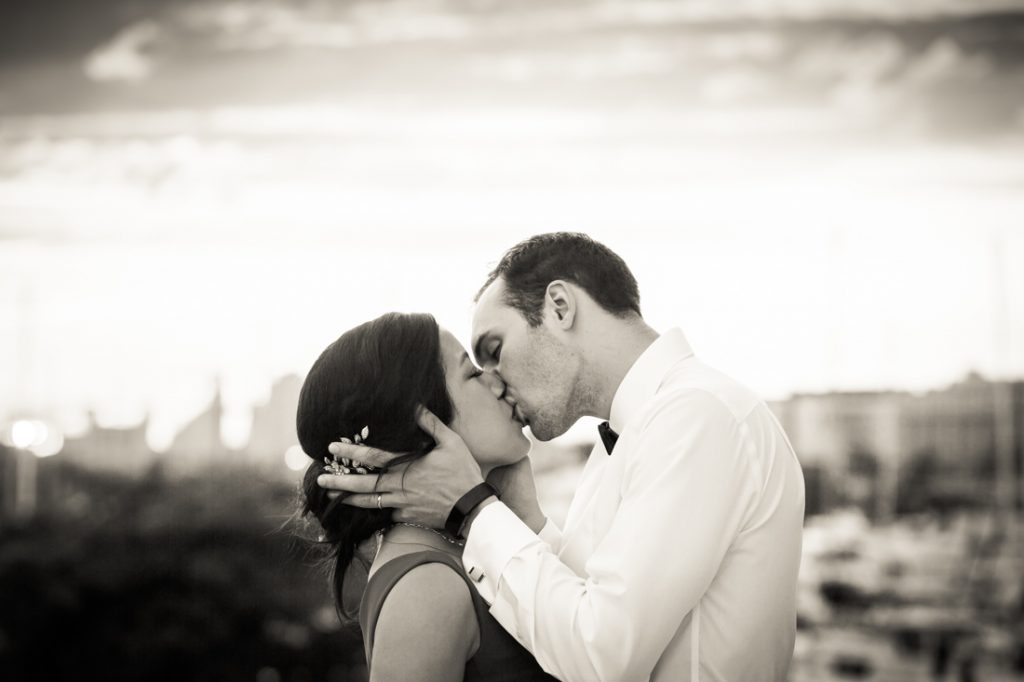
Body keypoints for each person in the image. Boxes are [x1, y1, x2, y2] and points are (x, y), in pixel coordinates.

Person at [319, 233, 806, 681]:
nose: (496, 381)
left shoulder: (695, 415)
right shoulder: (629, 437)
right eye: (476, 367)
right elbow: (584, 607)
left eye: (495, 348)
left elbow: (601, 656)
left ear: (558, 306)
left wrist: (474, 509)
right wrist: (528, 521)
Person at [297, 312, 556, 681]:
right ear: (422, 423)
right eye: (472, 373)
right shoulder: (427, 588)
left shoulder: (455, 551)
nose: (496, 380)